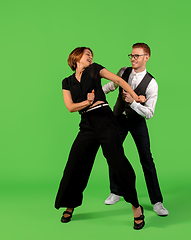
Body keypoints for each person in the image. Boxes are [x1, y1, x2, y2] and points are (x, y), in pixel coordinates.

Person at [55, 47, 146, 230]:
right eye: (87, 54)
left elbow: (118, 80)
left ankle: (136, 206)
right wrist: (87, 102)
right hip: (87, 124)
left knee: (118, 162)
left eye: (91, 54)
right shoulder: (67, 82)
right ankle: (70, 204)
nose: (90, 56)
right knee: (75, 163)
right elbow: (71, 107)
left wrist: (135, 97)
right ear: (76, 57)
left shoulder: (95, 69)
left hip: (104, 119)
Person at [102, 43, 169, 216]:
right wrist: (98, 95)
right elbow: (111, 86)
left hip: (137, 122)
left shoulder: (152, 84)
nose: (133, 58)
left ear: (146, 58)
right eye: (131, 55)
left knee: (146, 159)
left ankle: (157, 201)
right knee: (113, 153)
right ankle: (115, 191)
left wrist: (133, 103)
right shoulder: (123, 71)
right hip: (118, 120)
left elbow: (150, 113)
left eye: (137, 56)